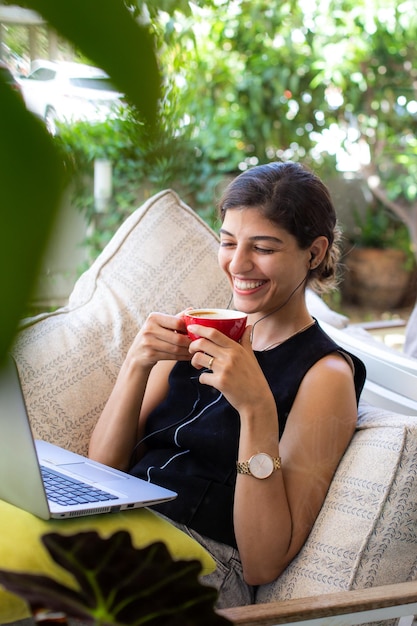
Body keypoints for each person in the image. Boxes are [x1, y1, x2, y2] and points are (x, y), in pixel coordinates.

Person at [89, 161, 366, 608]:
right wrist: (137, 364)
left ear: (314, 253)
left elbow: (262, 560)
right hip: (121, 522)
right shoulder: (196, 330)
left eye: (264, 248)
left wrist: (257, 409)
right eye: (229, 242)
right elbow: (103, 469)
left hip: (206, 561)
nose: (238, 264)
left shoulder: (325, 374)